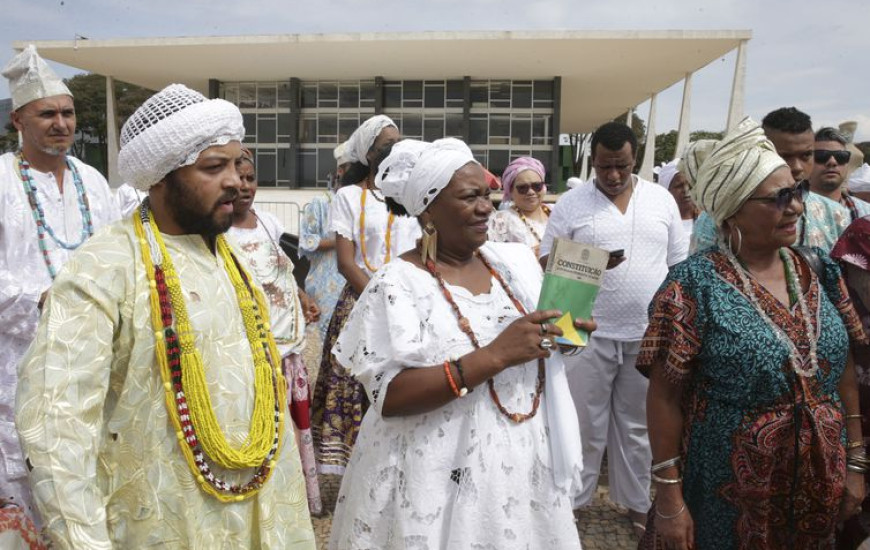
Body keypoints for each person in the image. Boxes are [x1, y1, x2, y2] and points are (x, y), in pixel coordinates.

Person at [15, 84, 315, 548]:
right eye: (213, 167)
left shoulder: (231, 261)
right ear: (160, 177)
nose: (236, 181)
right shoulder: (103, 270)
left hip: (259, 515)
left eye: (237, 164)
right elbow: (57, 429)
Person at [328, 137, 593, 549]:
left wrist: (563, 336)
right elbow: (390, 396)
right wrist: (495, 356)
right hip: (432, 476)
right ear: (429, 209)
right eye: (470, 197)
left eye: (487, 195)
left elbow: (534, 345)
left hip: (516, 471)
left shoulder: (513, 264)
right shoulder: (397, 284)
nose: (487, 206)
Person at [639, 117, 866, 550]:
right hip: (729, 490)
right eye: (779, 197)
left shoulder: (819, 270)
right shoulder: (692, 287)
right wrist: (669, 496)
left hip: (820, 481)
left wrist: (855, 460)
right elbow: (664, 397)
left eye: (796, 192)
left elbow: (844, 369)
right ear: (732, 210)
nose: (796, 206)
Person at [540, 121, 688, 537]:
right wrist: (592, 262)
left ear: (635, 158)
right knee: (582, 424)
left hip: (647, 334)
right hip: (583, 329)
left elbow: (678, 266)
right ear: (594, 162)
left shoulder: (661, 200)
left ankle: (639, 504)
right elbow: (545, 260)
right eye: (604, 166)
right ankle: (573, 502)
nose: (613, 175)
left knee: (639, 425)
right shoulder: (572, 203)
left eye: (621, 165)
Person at [0, 45, 120, 531]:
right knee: (22, 470)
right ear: (18, 121)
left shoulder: (93, 181)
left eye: (67, 112)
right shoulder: (3, 181)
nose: (61, 123)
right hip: (16, 358)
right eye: (46, 113)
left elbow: (114, 255)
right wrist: (39, 298)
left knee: (85, 468)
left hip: (89, 357)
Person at [310, 115, 420, 476]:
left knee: (405, 383)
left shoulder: (413, 197)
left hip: (411, 302)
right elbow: (345, 262)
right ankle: (359, 473)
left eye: (397, 141)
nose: (393, 148)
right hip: (362, 302)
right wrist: (382, 301)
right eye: (384, 144)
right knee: (358, 386)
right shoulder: (349, 196)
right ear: (367, 153)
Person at [228, 147, 323, 516]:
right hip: (252, 355)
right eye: (238, 180)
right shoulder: (216, 232)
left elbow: (281, 273)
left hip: (290, 351)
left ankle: (293, 503)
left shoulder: (268, 222)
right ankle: (261, 506)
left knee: (292, 428)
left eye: (250, 179)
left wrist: (303, 297)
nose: (245, 187)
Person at [692, 107, 851, 253]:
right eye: (784, 156)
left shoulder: (835, 215)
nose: (797, 167)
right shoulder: (719, 218)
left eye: (806, 155)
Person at [298, 142, 350, 387]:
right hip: (325, 285)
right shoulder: (320, 203)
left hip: (354, 283)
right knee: (328, 343)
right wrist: (341, 242)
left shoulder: (365, 204)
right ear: (340, 171)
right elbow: (307, 240)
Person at [487, 156, 551, 256]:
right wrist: (532, 254)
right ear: (510, 191)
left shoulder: (556, 212)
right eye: (522, 188)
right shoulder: (502, 221)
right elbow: (495, 259)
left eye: (537, 186)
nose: (531, 192)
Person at [811, 127, 870, 221]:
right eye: (821, 156)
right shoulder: (791, 212)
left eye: (841, 156)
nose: (832, 162)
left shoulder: (866, 213)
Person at [658, 158, 699, 238]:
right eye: (679, 186)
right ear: (667, 191)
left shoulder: (706, 220)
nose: (686, 190)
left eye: (690, 183)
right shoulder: (661, 222)